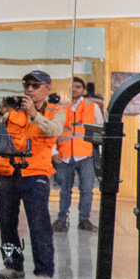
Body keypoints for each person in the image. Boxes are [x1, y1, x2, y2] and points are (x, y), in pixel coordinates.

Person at [0, 70, 64, 279]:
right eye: (26, 85)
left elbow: (54, 131)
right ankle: (13, 265)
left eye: (35, 85)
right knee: (6, 221)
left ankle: (44, 271)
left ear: (47, 89)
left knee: (39, 222)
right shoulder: (13, 111)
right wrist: (0, 110)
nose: (29, 90)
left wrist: (33, 114)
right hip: (8, 171)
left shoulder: (56, 112)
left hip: (36, 173)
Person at [52, 76, 102, 232]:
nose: (74, 89)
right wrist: (54, 151)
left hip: (86, 155)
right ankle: (61, 220)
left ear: (83, 90)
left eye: (78, 87)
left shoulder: (92, 107)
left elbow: (100, 131)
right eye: (72, 86)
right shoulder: (60, 108)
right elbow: (52, 131)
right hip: (64, 155)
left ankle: (84, 220)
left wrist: (98, 154)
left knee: (87, 189)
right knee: (64, 190)